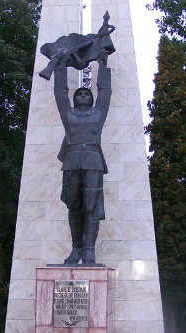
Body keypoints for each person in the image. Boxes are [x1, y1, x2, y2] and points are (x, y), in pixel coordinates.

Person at [53, 50, 111, 264]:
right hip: (72, 162)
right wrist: (59, 66)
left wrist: (103, 65)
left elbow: (105, 91)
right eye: (79, 94)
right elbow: (60, 92)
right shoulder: (68, 114)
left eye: (87, 94)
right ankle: (76, 249)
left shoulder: (98, 113)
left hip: (93, 161)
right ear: (75, 99)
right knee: (74, 205)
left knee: (91, 206)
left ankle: (89, 251)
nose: (83, 95)